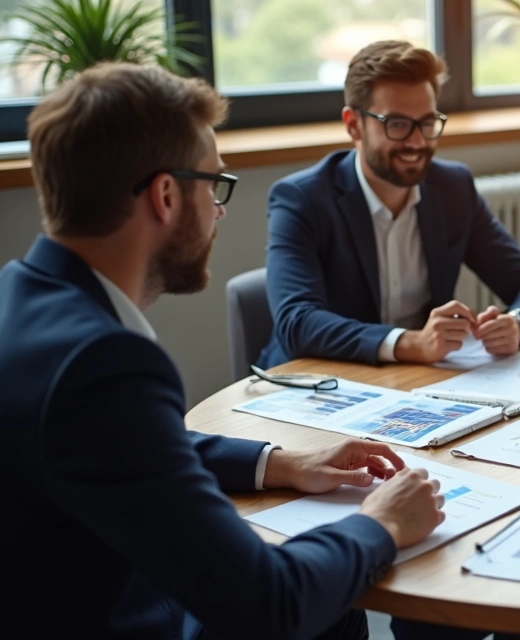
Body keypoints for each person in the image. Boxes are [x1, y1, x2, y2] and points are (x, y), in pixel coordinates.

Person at [0, 63, 448, 639]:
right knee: (326, 601)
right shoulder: (103, 362)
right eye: (214, 185)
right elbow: (270, 604)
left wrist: (280, 463)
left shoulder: (20, 294)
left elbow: (123, 444)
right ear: (165, 195)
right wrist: (382, 524)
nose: (219, 210)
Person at [258, 40, 520, 370]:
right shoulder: (302, 199)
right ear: (354, 125)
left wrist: (519, 323)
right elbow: (297, 322)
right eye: (397, 124)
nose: (417, 142)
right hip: (315, 381)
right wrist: (410, 343)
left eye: (427, 123)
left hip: (414, 381)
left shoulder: (453, 188)